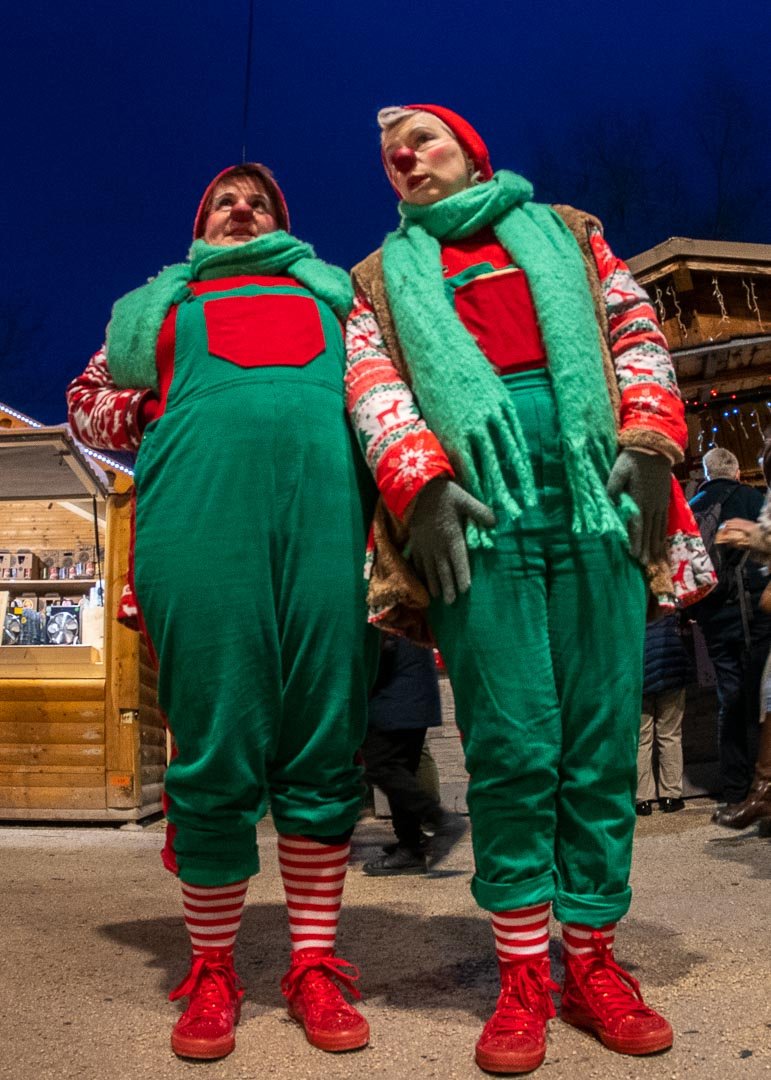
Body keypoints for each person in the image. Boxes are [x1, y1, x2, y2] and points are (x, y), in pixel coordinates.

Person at [344, 104, 714, 1074]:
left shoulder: (568, 233)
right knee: (510, 744)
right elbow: (373, 386)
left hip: (597, 494)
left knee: (598, 738)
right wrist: (421, 487)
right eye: (392, 155)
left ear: (473, 153)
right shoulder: (376, 280)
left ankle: (590, 960)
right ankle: (521, 975)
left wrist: (648, 442)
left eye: (424, 140)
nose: (405, 157)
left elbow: (635, 331)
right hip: (477, 511)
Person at [66, 164, 378, 1060]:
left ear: (283, 220)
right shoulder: (155, 309)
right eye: (223, 203)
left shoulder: (340, 298)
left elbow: (386, 397)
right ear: (201, 224)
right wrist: (149, 404)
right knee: (212, 741)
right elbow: (84, 406)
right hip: (197, 530)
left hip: (326, 531)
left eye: (259, 202)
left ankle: (313, 964)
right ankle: (212, 970)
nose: (241, 210)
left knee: (323, 738)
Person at [689, 447, 771, 815]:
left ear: (707, 475)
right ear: (737, 472)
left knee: (729, 697)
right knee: (763, 697)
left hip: (714, 617)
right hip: (757, 613)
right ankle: (762, 785)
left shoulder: (692, 508)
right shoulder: (753, 498)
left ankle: (735, 788)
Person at [361, 636, 466, 875]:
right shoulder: (407, 614)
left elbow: (382, 645)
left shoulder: (384, 615)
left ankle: (440, 821)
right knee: (401, 769)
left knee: (383, 766)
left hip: (397, 692)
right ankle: (410, 846)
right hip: (413, 689)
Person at [636, 614, 692, 815]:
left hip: (638, 674)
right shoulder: (667, 601)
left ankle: (642, 800)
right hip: (670, 669)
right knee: (670, 735)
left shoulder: (627, 601)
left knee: (641, 739)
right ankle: (670, 796)